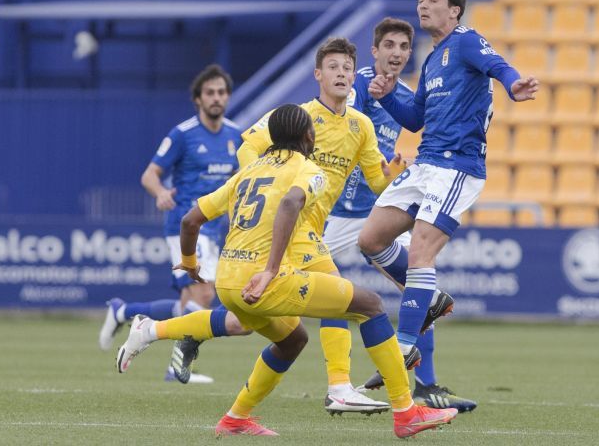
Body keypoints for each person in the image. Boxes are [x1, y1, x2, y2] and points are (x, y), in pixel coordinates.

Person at [115, 104, 457, 439]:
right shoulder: (309, 170)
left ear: (272, 137)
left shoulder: (247, 172)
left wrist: (189, 262)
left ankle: (233, 415)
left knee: (292, 339)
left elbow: (191, 219)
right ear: (310, 136)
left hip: (229, 279)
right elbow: (291, 203)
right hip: (264, 278)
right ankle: (405, 412)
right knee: (369, 305)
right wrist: (270, 270)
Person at [137, 38, 414, 414]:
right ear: (318, 74)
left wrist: (392, 176)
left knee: (257, 324)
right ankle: (343, 388)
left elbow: (375, 181)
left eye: (348, 69)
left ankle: (157, 331)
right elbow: (246, 148)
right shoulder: (295, 118)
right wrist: (270, 177)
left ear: (355, 77)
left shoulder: (360, 125)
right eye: (333, 67)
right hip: (288, 227)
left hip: (312, 227)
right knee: (348, 300)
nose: (341, 74)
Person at [357, 0, 539, 377]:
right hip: (426, 164)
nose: (423, 4)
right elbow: (416, 118)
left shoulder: (466, 41)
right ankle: (431, 297)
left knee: (421, 249)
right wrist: (387, 98)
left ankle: (404, 347)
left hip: (458, 165)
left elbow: (499, 66)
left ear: (454, 10)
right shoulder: (430, 58)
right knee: (370, 239)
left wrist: (513, 87)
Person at [326, 17, 477, 412]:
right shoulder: (356, 84)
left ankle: (425, 385)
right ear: (374, 51)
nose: (396, 53)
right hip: (338, 212)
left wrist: (389, 176)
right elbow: (347, 130)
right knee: (313, 290)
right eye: (388, 46)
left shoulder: (407, 96)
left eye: (403, 48)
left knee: (419, 283)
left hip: (379, 207)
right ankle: (208, 326)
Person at [98, 64, 243, 384]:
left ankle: (124, 312)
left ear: (228, 96)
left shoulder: (236, 135)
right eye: (210, 93)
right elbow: (149, 175)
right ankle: (176, 367)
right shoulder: (183, 134)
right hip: (185, 225)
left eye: (221, 92)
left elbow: (238, 181)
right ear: (198, 99)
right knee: (203, 297)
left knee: (188, 303)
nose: (216, 98)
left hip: (215, 227)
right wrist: (161, 192)